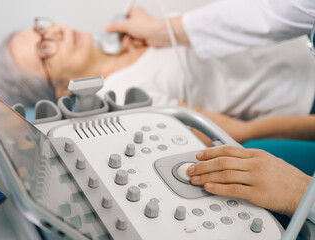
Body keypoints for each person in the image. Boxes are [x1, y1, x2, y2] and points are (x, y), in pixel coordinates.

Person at [105, 0, 315, 222]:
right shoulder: (120, 93)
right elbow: (239, 131)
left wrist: (161, 28)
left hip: (301, 55)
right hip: (301, 97)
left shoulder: (142, 33)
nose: (61, 32)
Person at [0, 18, 315, 122]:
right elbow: (236, 132)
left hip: (303, 47)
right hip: (302, 99)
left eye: (41, 29)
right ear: (61, 91)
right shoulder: (124, 100)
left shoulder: (123, 34)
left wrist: (143, 22)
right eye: (45, 49)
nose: (54, 34)